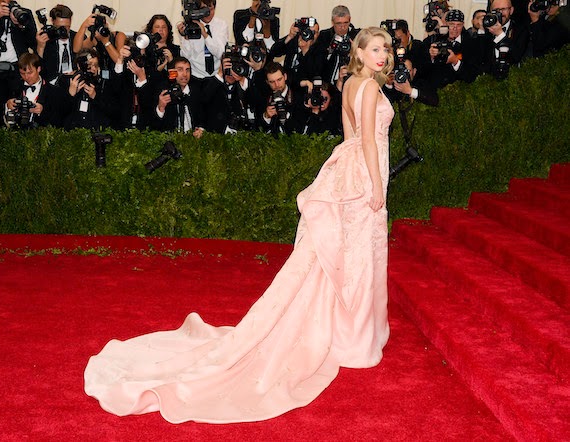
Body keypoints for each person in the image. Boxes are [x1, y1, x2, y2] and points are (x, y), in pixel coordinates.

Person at [84, 26, 394, 424]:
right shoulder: (367, 86)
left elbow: (348, 138)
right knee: (357, 259)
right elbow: (365, 141)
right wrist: (376, 185)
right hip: (366, 176)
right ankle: (354, 340)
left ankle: (343, 331)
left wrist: (349, 177)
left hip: (350, 172)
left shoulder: (350, 83)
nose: (382, 55)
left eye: (386, 49)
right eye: (375, 49)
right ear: (360, 52)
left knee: (341, 258)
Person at [177, 0, 229, 80]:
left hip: (217, 75)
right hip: (196, 75)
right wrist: (185, 37)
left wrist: (205, 34)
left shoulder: (221, 25)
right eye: (204, 10)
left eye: (211, 9)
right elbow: (185, 57)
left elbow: (221, 54)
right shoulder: (189, 26)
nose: (208, 13)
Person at [35, 4, 76, 84]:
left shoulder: (77, 38)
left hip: (74, 82)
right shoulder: (47, 40)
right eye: (59, 27)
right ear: (52, 22)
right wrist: (40, 48)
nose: (63, 31)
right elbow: (38, 69)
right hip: (53, 84)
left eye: (66, 27)